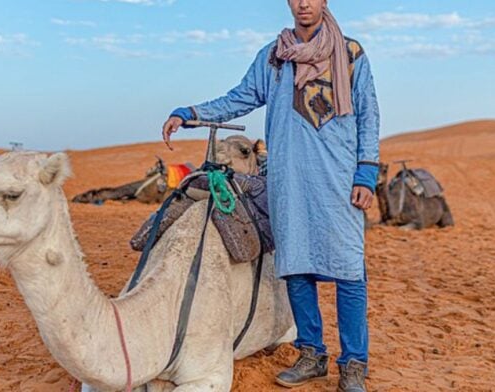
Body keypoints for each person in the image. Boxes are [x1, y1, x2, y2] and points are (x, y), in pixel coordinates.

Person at [162, 0, 379, 390]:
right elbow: (239, 97)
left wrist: (366, 172)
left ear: (324, 1)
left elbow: (368, 113)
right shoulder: (274, 57)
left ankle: (353, 364)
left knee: (349, 269)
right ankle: (312, 353)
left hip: (338, 179)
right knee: (295, 265)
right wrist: (190, 113)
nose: (304, 3)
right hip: (289, 180)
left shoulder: (350, 54)